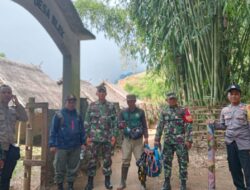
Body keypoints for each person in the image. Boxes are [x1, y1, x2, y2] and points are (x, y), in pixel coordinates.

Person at [213, 84, 250, 190]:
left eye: (236, 94)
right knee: (234, 168)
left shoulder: (247, 108)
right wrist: (213, 124)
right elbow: (223, 125)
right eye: (231, 94)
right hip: (230, 143)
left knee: (247, 169)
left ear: (240, 96)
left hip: (245, 144)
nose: (234, 96)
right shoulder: (224, 110)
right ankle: (240, 188)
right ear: (228, 96)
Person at [154, 92, 193, 190]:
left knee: (183, 162)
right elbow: (160, 126)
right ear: (167, 100)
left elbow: (189, 125)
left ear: (176, 100)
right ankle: (167, 183)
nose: (172, 100)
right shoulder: (163, 111)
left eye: (174, 99)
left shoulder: (184, 110)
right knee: (166, 162)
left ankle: (183, 183)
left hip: (181, 141)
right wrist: (157, 139)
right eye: (170, 99)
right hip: (167, 141)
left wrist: (189, 140)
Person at [84, 85, 118, 190]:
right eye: (100, 92)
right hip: (94, 139)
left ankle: (107, 181)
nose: (102, 94)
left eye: (103, 92)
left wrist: (114, 136)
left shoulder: (111, 106)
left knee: (107, 160)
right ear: (97, 94)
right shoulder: (92, 106)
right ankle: (90, 183)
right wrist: (86, 136)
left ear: (106, 94)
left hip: (107, 139)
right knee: (92, 160)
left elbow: (115, 123)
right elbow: (87, 122)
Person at [49, 94, 86, 190]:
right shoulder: (59, 115)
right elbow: (53, 130)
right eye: (69, 101)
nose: (71, 104)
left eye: (73, 102)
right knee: (59, 167)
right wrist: (52, 144)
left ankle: (70, 185)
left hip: (76, 145)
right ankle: (60, 186)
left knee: (73, 167)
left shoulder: (78, 115)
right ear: (65, 102)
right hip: (62, 146)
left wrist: (83, 143)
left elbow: (82, 130)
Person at [117, 94, 148, 190]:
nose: (130, 102)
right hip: (127, 139)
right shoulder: (122, 112)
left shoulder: (141, 112)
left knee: (141, 162)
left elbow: (144, 125)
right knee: (125, 160)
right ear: (127, 101)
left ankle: (143, 183)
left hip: (138, 141)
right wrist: (124, 127)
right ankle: (123, 182)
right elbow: (119, 124)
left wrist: (146, 138)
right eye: (128, 101)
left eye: (132, 101)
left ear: (135, 101)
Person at [0, 84, 28, 190]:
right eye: (4, 92)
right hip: (0, 148)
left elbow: (25, 118)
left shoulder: (13, 110)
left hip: (10, 148)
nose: (7, 94)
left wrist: (18, 104)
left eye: (9, 92)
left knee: (6, 177)